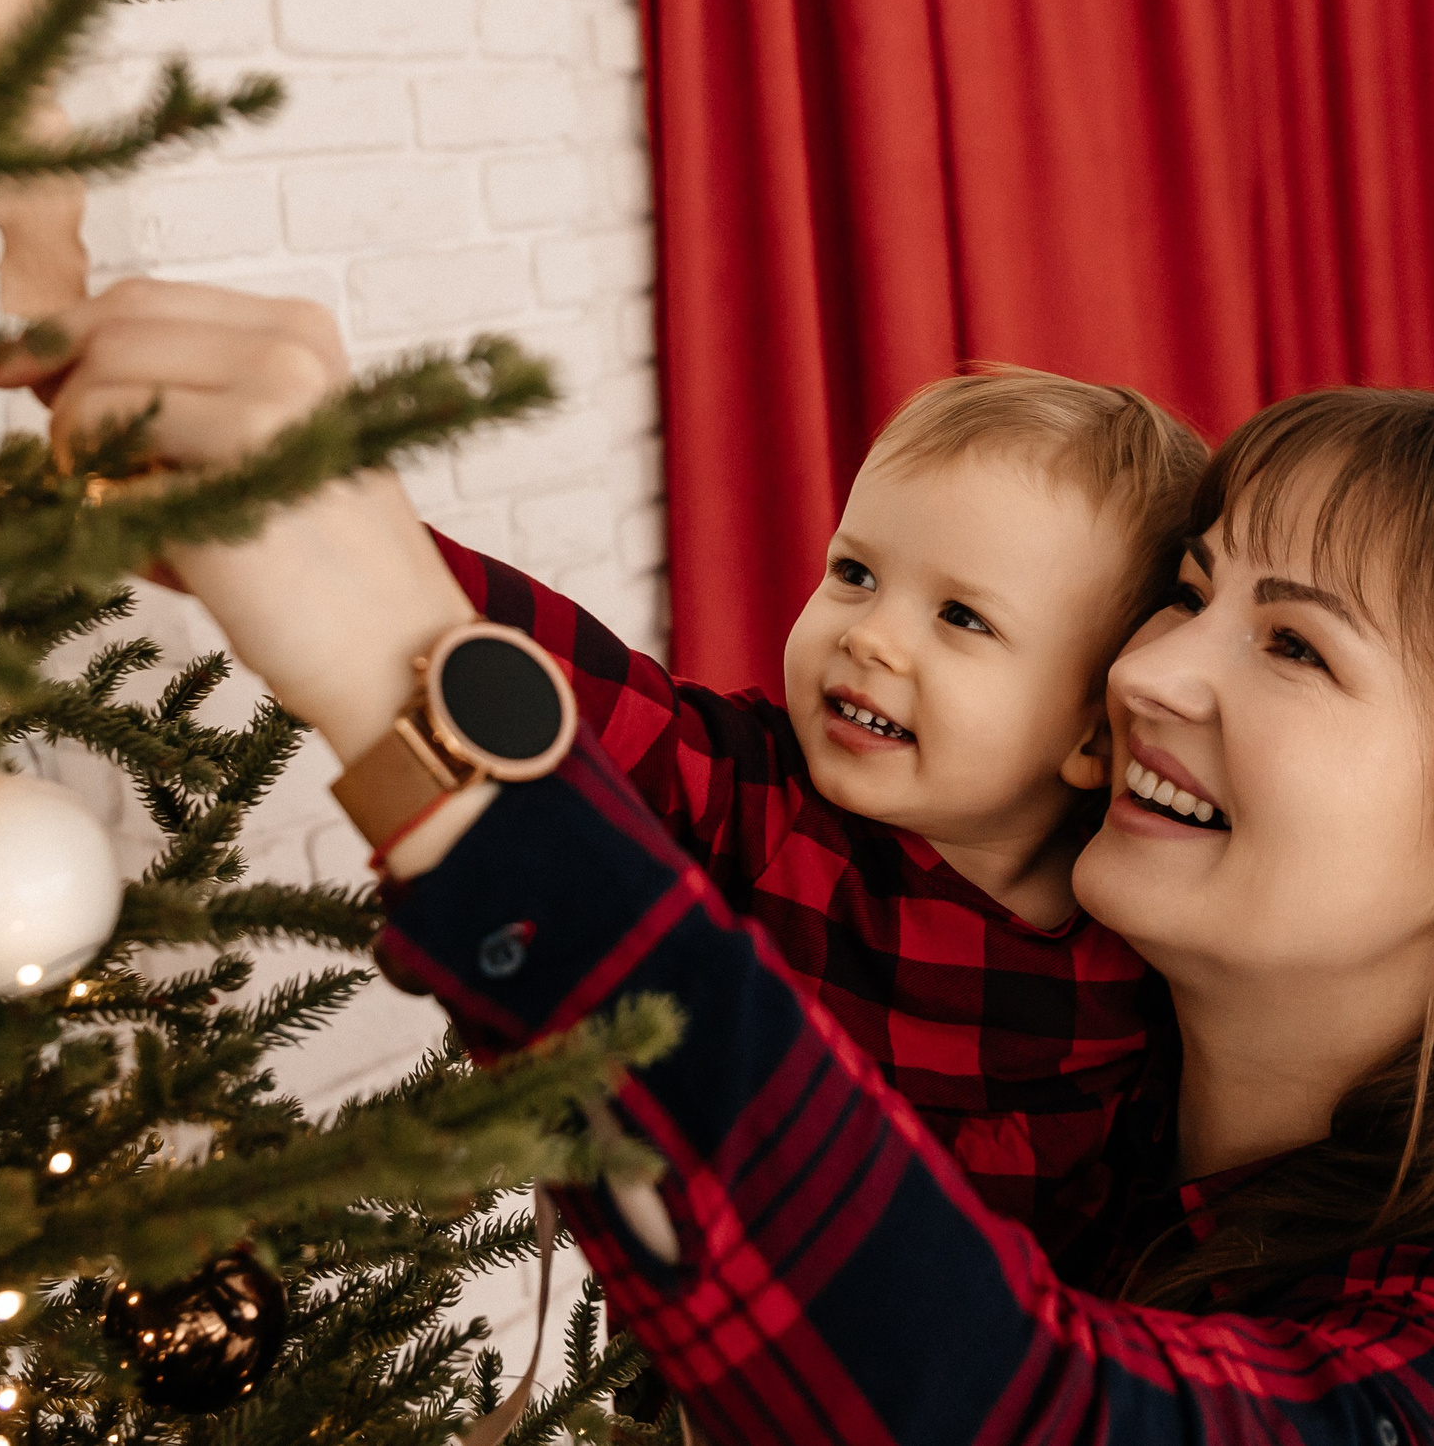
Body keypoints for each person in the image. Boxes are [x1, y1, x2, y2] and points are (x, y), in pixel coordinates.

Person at [0, 282, 1434, 1445]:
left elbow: (1018, 1409)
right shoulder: (1093, 1077)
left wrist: (422, 704)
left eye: (1293, 648)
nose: (1145, 673)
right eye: (1188, 593)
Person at [415, 366, 1205, 1252]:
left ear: (1095, 737)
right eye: (855, 572)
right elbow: (586, 686)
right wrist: (369, 547)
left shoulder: (1144, 941)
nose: (868, 634)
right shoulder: (758, 795)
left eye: (962, 617)